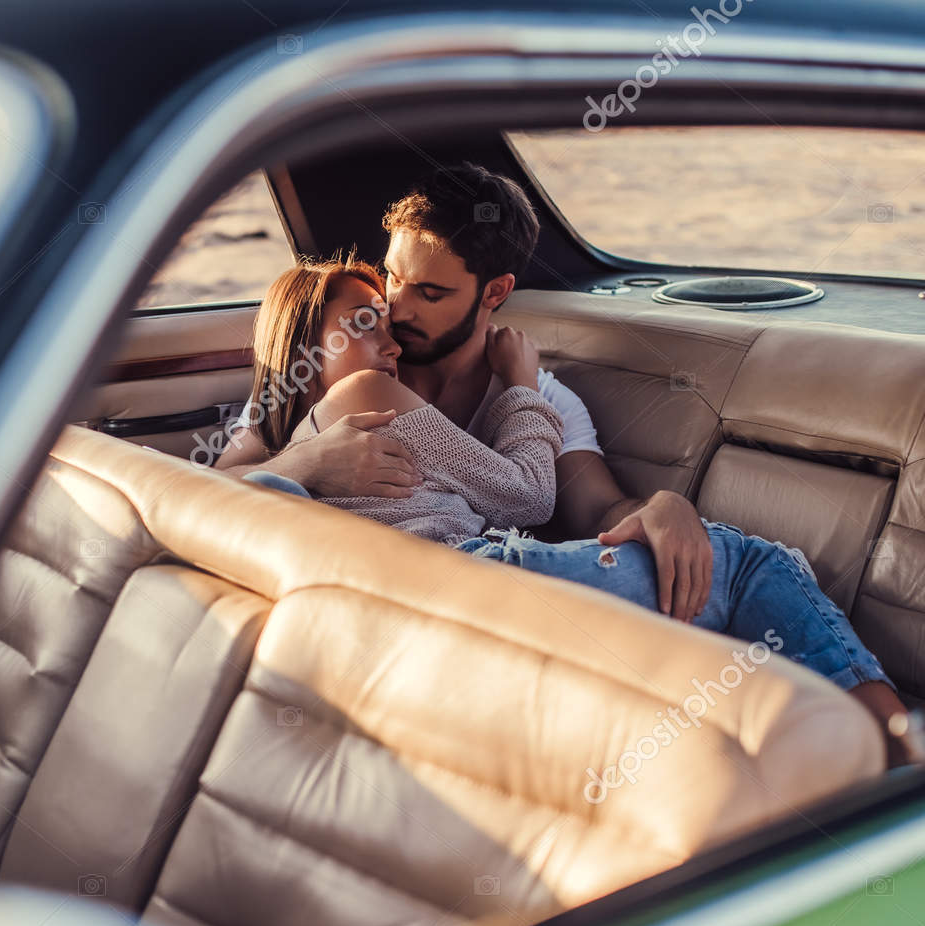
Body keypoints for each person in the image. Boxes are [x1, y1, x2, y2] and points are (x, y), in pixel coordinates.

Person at [226, 256, 925, 770]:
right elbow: (528, 496)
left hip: (415, 610)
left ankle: (836, 754)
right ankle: (913, 763)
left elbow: (207, 494)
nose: (392, 336)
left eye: (406, 307)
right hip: (471, 582)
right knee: (754, 562)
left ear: (493, 294)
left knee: (722, 600)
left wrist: (296, 462)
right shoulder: (354, 402)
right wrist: (520, 386)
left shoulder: (284, 424)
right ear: (299, 347)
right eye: (365, 323)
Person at [217, 161, 714, 624]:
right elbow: (214, 486)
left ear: (494, 293)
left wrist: (664, 507)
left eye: (430, 293)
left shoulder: (541, 398)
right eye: (392, 275)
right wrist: (306, 463)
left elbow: (597, 512)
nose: (396, 306)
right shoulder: (344, 364)